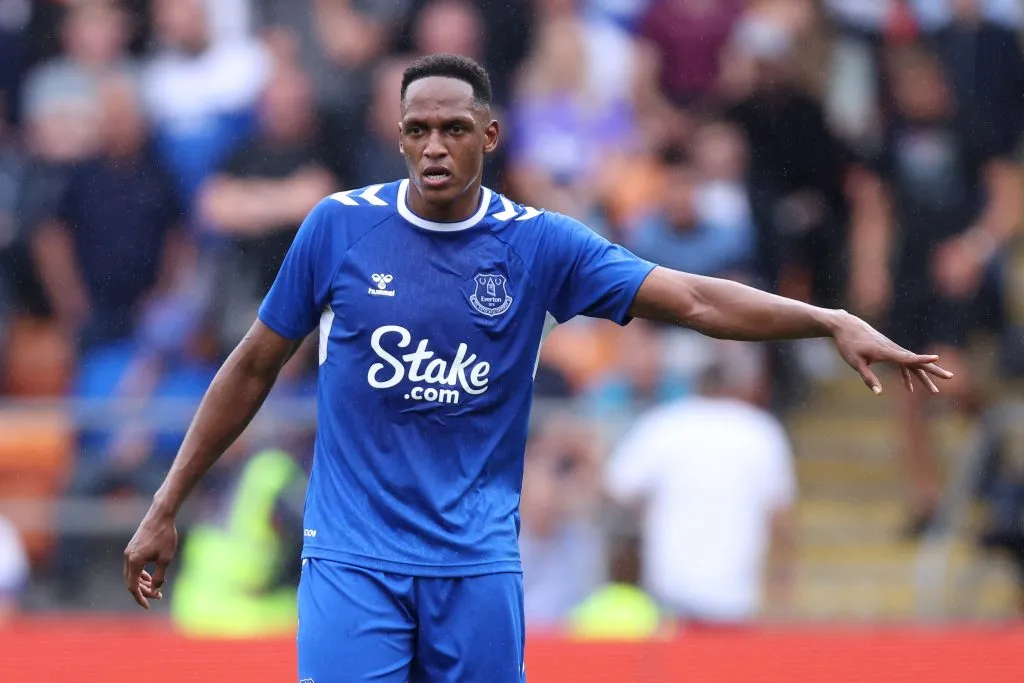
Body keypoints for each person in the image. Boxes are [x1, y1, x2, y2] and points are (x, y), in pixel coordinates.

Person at [123, 54, 952, 682]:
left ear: (489, 135)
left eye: (453, 128)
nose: (434, 146)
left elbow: (694, 300)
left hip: (476, 561)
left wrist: (826, 319)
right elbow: (251, 365)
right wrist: (166, 505)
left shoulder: (538, 243)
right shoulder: (339, 228)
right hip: (353, 557)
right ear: (399, 135)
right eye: (418, 129)